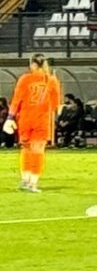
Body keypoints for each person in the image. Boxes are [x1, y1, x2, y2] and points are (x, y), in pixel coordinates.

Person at [8, 54, 61, 190]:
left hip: (25, 118)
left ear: (32, 64)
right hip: (41, 120)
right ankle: (33, 182)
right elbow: (56, 104)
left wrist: (10, 117)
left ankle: (25, 179)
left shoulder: (25, 79)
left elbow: (16, 99)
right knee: (38, 150)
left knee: (26, 149)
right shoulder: (51, 80)